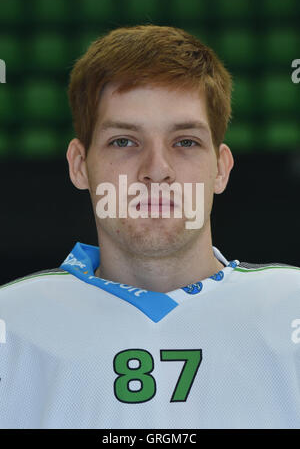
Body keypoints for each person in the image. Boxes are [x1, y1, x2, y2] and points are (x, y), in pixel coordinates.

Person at [0, 25, 299, 429]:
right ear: (78, 164)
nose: (157, 171)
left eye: (186, 142)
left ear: (221, 169)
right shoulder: (11, 324)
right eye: (124, 141)